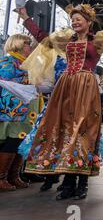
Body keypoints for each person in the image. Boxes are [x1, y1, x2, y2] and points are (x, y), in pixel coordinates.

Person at [16, 1, 103, 200]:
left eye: (78, 19)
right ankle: (68, 182)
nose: (75, 22)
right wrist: (26, 18)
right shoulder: (66, 40)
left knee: (83, 131)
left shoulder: (98, 41)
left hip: (86, 86)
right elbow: (42, 38)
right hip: (65, 87)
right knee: (64, 130)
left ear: (89, 22)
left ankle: (82, 183)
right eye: (72, 19)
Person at [18, 55, 67, 192]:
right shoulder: (53, 60)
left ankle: (66, 178)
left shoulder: (81, 59)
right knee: (49, 141)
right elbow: (47, 85)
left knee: (67, 141)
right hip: (54, 106)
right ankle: (49, 176)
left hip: (70, 107)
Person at [0, 34, 38, 191]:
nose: (30, 48)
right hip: (13, 111)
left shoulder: (27, 63)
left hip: (26, 110)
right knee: (12, 141)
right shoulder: (8, 61)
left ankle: (13, 176)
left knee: (21, 142)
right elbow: (5, 81)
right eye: (28, 44)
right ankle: (1, 177)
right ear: (19, 45)